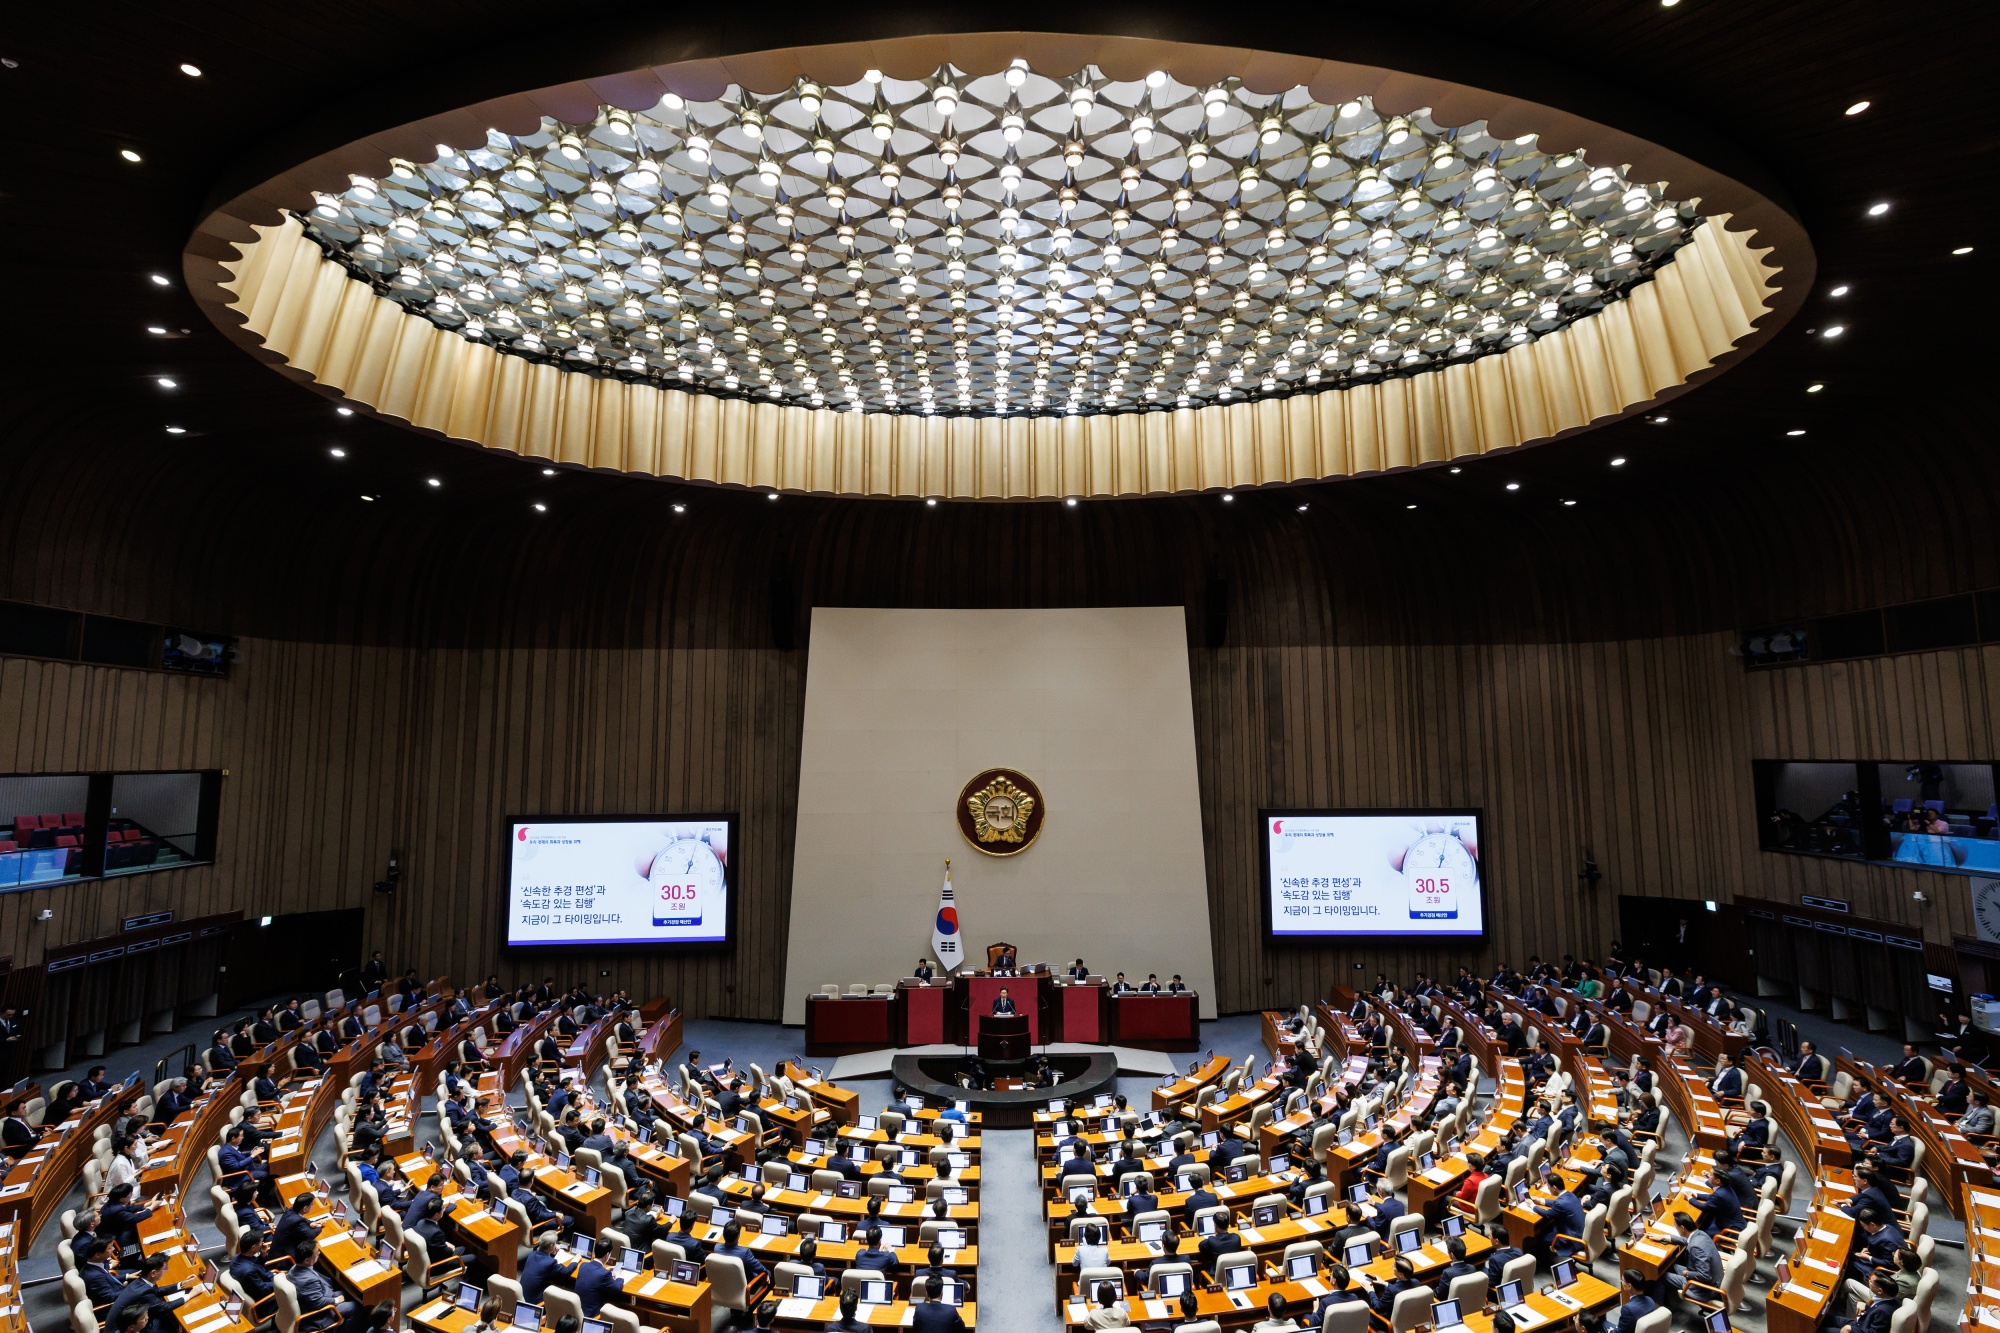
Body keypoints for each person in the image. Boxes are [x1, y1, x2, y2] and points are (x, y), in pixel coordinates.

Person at [1663, 1210, 1721, 1304]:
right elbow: (1687, 1240)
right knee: (1672, 1266)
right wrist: (1664, 1237)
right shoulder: (1700, 1234)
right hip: (1714, 1279)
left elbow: (1704, 1276)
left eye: (1675, 1226)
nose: (1675, 1227)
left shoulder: (1696, 1247)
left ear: (1682, 1228)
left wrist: (1687, 1274)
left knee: (1662, 1276)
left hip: (1705, 1289)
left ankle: (1661, 1305)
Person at [574, 1237, 623, 1317]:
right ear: (607, 1255)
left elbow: (594, 1275)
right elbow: (617, 1289)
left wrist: (604, 1270)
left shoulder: (583, 1265)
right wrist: (619, 1276)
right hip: (592, 1315)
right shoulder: (604, 1274)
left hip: (579, 1311)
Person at [521, 1235, 570, 1303]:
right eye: (555, 1244)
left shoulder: (532, 1254)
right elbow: (566, 1271)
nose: (556, 1245)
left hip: (522, 1296)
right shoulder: (550, 1262)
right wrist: (575, 1260)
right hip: (534, 1302)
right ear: (551, 1246)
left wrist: (560, 1246)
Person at [1610, 1268, 1656, 1333]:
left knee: (1602, 1325)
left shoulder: (1628, 1309)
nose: (1621, 1281)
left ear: (1629, 1286)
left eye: (1622, 1280)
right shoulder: (1650, 1300)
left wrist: (1610, 1331)